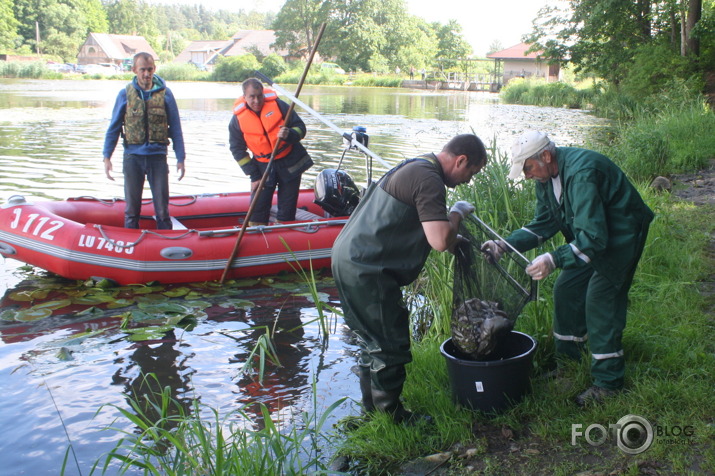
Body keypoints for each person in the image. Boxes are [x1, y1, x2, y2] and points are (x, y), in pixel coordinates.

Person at [481, 131, 653, 406]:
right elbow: (545, 223)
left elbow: (595, 238)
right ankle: (569, 364)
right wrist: (504, 245)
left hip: (622, 234)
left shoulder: (582, 173)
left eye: (528, 168)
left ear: (546, 156)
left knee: (600, 299)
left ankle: (608, 383)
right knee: (566, 290)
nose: (526, 176)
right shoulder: (546, 176)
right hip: (591, 237)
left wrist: (554, 259)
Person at [332, 134, 488, 424]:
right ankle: (392, 418)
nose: (469, 180)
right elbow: (440, 240)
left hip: (350, 260)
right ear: (461, 160)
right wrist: (457, 213)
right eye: (472, 172)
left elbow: (428, 232)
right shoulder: (428, 178)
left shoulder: (418, 166)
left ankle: (373, 414)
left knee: (372, 341)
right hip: (367, 269)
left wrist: (464, 242)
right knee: (389, 345)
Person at [103, 52, 186, 229]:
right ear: (134, 70)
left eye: (150, 69)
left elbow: (176, 128)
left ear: (154, 69)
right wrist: (107, 156)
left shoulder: (166, 94)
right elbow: (114, 128)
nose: (147, 74)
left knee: (162, 211)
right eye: (142, 70)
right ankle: (130, 249)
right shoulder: (124, 94)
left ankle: (166, 246)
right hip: (133, 157)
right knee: (132, 210)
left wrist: (180, 158)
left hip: (158, 158)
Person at [228, 78, 313, 226]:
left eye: (259, 95)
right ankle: (257, 237)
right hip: (262, 167)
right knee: (257, 212)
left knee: (287, 210)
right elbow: (237, 149)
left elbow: (301, 128)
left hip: (289, 162)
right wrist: (254, 175)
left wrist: (290, 134)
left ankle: (285, 235)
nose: (256, 100)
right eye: (252, 97)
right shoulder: (237, 120)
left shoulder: (279, 106)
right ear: (244, 97)